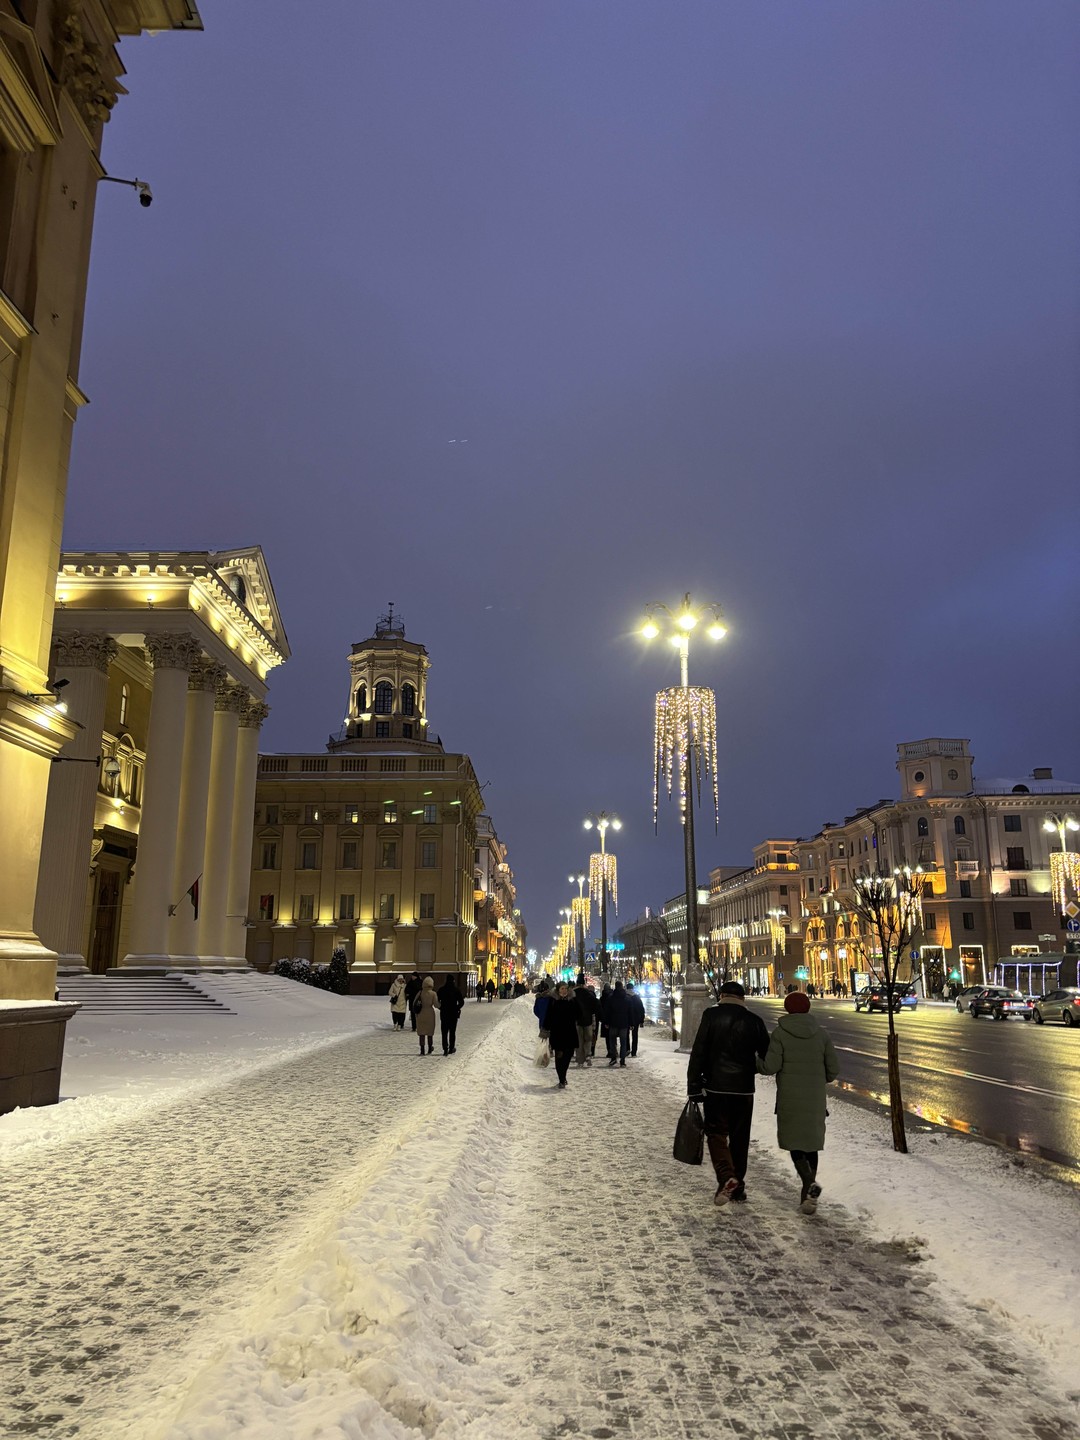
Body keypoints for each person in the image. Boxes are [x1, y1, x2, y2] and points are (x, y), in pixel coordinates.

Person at [686, 980, 770, 1206]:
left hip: (716, 1087)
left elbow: (699, 1051)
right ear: (742, 998)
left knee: (716, 1134)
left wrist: (693, 1086)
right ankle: (738, 1187)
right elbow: (766, 1054)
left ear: (721, 996)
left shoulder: (711, 1016)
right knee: (740, 1138)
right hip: (744, 1090)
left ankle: (726, 1177)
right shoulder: (754, 1021)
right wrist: (750, 1067)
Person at [759, 991, 839, 1214]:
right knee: (811, 1145)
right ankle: (807, 1197)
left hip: (789, 1098)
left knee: (795, 1143)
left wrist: (755, 1061)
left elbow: (770, 1066)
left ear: (787, 1009)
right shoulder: (821, 1034)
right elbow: (833, 1070)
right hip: (815, 1099)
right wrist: (818, 1078)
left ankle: (809, 1183)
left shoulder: (780, 1034)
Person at [544, 981, 578, 1089]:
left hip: (570, 1033)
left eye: (566, 988)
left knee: (567, 1057)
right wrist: (545, 1029)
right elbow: (548, 1015)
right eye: (562, 988)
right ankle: (561, 1079)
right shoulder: (553, 1001)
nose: (564, 991)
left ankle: (563, 1076)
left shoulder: (572, 1000)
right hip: (557, 1033)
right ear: (558, 990)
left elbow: (579, 1013)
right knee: (559, 1058)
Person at [605, 980, 633, 1067]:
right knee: (623, 1042)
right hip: (624, 1023)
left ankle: (613, 1057)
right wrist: (631, 1023)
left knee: (612, 1041)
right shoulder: (627, 998)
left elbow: (607, 1011)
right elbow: (630, 1012)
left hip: (613, 1022)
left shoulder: (611, 998)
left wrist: (606, 1022)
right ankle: (622, 1060)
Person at [573, 977, 599, 1067]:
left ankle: (580, 1060)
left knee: (579, 1041)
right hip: (588, 1020)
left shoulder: (574, 994)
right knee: (588, 1039)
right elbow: (596, 1005)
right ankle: (588, 1055)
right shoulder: (588, 993)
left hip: (577, 1021)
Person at [438, 974, 465, 1055]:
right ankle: (451, 1048)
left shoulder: (442, 990)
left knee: (444, 1032)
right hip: (453, 1014)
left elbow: (437, 1000)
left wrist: (441, 1007)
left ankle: (445, 1048)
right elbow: (461, 1002)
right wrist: (457, 1008)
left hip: (444, 1013)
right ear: (453, 981)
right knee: (452, 1032)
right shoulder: (456, 990)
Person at [414, 975, 439, 1055]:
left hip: (421, 1013)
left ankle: (422, 1050)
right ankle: (430, 1048)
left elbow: (415, 1003)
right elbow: (436, 1005)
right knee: (429, 1032)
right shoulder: (433, 993)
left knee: (421, 1032)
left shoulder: (420, 993)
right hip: (430, 1014)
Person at [626, 981, 646, 1057]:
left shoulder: (625, 997)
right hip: (636, 1019)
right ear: (633, 988)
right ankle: (634, 1052)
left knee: (626, 1035)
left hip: (627, 1019)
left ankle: (627, 1049)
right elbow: (641, 1009)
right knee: (635, 1035)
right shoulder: (637, 997)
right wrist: (641, 1021)